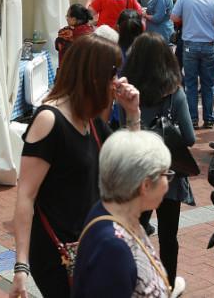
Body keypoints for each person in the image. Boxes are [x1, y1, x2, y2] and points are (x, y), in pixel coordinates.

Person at [9, 31, 141, 298]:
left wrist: (133, 114)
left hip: (90, 244)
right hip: (58, 254)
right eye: (112, 73)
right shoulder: (50, 120)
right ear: (93, 75)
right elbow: (26, 195)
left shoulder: (88, 118)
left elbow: (128, 165)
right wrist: (21, 267)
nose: (116, 82)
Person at [123, 33, 194, 297]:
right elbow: (189, 137)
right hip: (168, 176)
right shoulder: (175, 93)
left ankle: (134, 282)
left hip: (134, 176)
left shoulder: (126, 91)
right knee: (168, 237)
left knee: (132, 232)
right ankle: (167, 285)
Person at [71, 131, 173, 298]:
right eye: (166, 175)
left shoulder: (110, 210)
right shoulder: (113, 249)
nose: (168, 183)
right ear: (145, 185)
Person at [171, 0, 214, 128]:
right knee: (208, 84)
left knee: (190, 83)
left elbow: (174, 17)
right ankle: (208, 118)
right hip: (208, 45)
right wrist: (210, 20)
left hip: (190, 44)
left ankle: (193, 119)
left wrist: (188, 17)